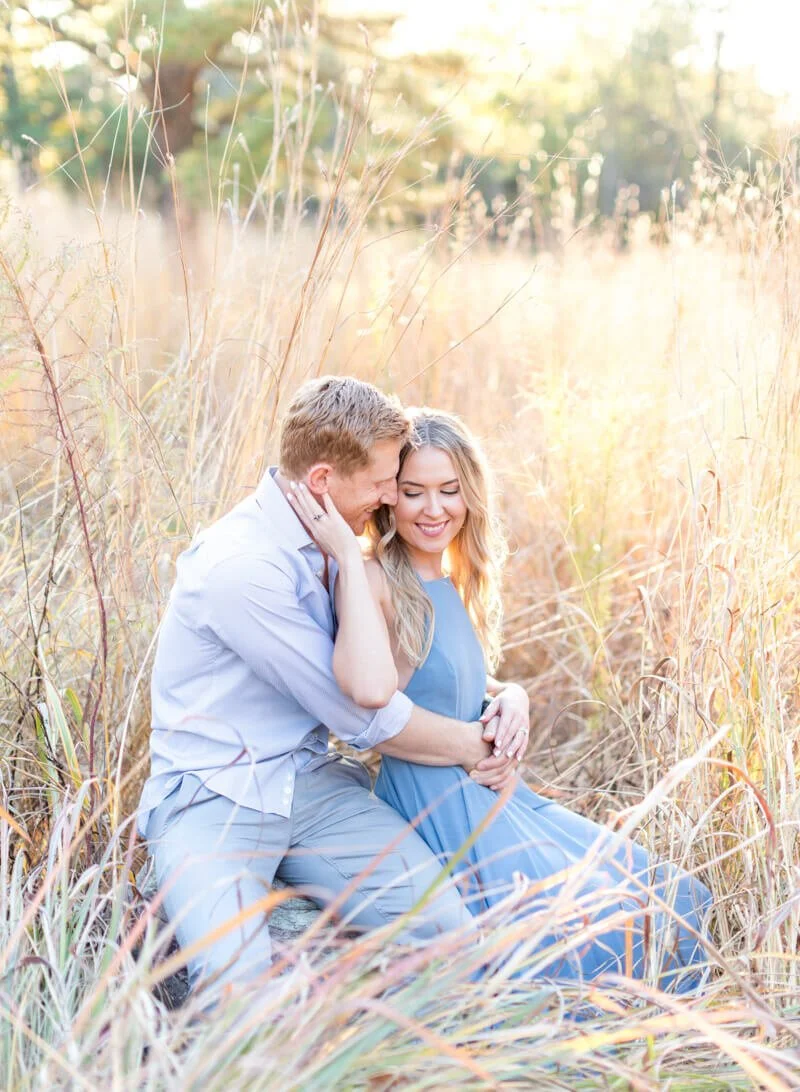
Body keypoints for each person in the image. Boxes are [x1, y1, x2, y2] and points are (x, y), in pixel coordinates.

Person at [287, 407, 713, 991]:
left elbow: (448, 674)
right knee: (593, 931)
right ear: (389, 499)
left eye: (448, 491)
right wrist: (346, 560)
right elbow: (373, 708)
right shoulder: (375, 581)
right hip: (438, 804)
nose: (433, 510)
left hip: (492, 792)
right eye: (413, 492)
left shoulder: (451, 575)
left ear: (471, 495)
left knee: (668, 895)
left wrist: (510, 691)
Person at [138, 377, 523, 995]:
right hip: (218, 797)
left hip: (310, 787)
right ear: (322, 480)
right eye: (382, 483)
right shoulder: (243, 570)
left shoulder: (335, 541)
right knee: (237, 986)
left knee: (448, 936)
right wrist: (480, 747)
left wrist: (507, 696)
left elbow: (417, 659)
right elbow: (356, 712)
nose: (391, 496)